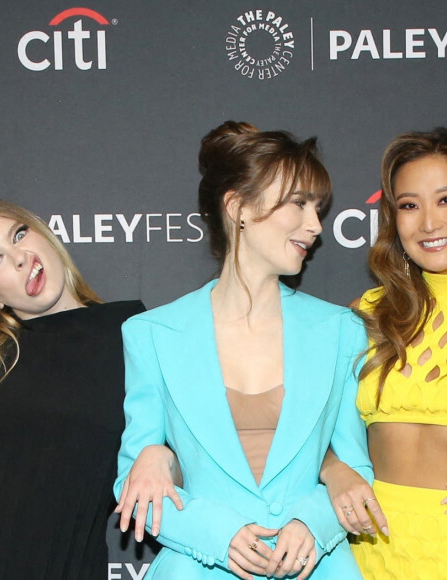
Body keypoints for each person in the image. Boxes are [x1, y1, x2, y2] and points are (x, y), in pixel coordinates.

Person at [114, 121, 373, 579]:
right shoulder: (152, 333)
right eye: (298, 204)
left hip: (314, 567)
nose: (315, 225)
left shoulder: (340, 330)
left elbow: (355, 468)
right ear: (238, 207)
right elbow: (134, 484)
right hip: (198, 567)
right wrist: (217, 533)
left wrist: (312, 522)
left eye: (318, 209)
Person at [0, 199, 144, 579]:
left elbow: (188, 464)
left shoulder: (135, 332)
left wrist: (161, 458)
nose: (19, 259)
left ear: (44, 234)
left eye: (19, 235)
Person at [320, 128, 447, 579]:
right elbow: (305, 430)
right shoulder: (369, 313)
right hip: (371, 550)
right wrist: (334, 469)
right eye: (409, 205)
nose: (429, 223)